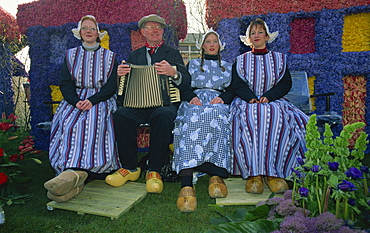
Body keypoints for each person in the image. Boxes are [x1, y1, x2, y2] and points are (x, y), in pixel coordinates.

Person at [105, 14, 191, 194]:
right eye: (151, 27)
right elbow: (123, 88)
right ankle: (130, 168)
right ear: (143, 32)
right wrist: (120, 75)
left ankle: (155, 169)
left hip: (164, 104)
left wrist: (173, 72)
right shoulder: (134, 55)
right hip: (139, 105)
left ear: (162, 33)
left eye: (158, 28)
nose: (155, 30)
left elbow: (185, 83)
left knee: (164, 114)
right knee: (121, 115)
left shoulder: (172, 53)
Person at [44, 15, 121, 202]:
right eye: (85, 28)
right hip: (76, 99)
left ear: (98, 34)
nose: (88, 31)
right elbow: (65, 83)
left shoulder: (109, 57)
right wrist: (75, 101)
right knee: (70, 123)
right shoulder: (71, 55)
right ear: (79, 33)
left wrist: (93, 100)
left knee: (95, 121)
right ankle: (69, 169)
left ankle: (90, 170)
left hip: (100, 99)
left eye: (92, 28)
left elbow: (111, 87)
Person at [230, 18, 308, 194]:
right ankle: (254, 174)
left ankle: (274, 173)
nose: (256, 35)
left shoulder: (279, 59)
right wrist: (250, 98)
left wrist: (268, 96)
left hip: (273, 101)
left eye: (260, 32)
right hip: (246, 102)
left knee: (275, 117)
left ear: (266, 36)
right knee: (249, 118)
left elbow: (285, 84)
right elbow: (237, 84)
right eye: (253, 33)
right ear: (248, 38)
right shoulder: (241, 60)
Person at [172, 28, 234, 212]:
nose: (212, 45)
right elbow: (183, 86)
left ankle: (216, 174)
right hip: (196, 100)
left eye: (215, 41)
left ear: (220, 45)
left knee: (218, 117)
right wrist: (190, 96)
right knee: (191, 119)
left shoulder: (229, 66)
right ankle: (186, 180)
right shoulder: (192, 64)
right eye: (208, 41)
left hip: (217, 100)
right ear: (202, 46)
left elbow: (234, 88)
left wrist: (224, 98)